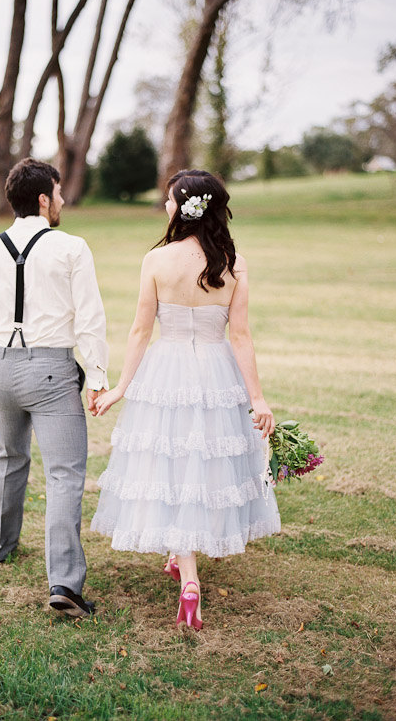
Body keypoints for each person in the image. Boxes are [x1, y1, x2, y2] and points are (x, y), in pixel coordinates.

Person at [90, 169, 280, 630]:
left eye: (170, 199)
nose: (166, 206)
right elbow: (241, 336)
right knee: (200, 468)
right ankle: (185, 562)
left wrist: (120, 387)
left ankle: (188, 577)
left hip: (166, 371)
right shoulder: (232, 260)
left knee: (171, 467)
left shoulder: (156, 260)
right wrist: (257, 399)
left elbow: (140, 330)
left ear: (185, 206)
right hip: (217, 371)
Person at [0, 157, 108, 617]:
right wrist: (96, 377)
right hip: (51, 371)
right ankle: (64, 585)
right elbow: (90, 320)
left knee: (9, 456)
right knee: (64, 473)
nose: (61, 201)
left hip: (1, 364)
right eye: (58, 194)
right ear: (43, 199)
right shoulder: (72, 248)